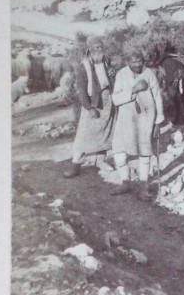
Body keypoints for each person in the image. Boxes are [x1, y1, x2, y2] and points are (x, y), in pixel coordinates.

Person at [109, 45, 164, 200]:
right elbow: (115, 99)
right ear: (128, 62)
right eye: (134, 62)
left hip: (146, 118)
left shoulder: (149, 74)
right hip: (126, 119)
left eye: (140, 61)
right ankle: (125, 182)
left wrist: (158, 120)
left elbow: (158, 97)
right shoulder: (121, 75)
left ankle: (143, 186)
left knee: (144, 151)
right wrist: (133, 90)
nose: (138, 64)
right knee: (119, 150)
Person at [63, 37, 115, 178]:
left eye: (100, 47)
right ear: (89, 50)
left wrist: (112, 74)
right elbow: (80, 89)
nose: (99, 51)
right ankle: (76, 165)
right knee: (84, 134)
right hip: (93, 103)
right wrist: (89, 107)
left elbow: (109, 80)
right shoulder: (83, 66)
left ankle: (101, 161)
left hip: (107, 101)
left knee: (105, 132)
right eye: (95, 48)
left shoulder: (106, 62)